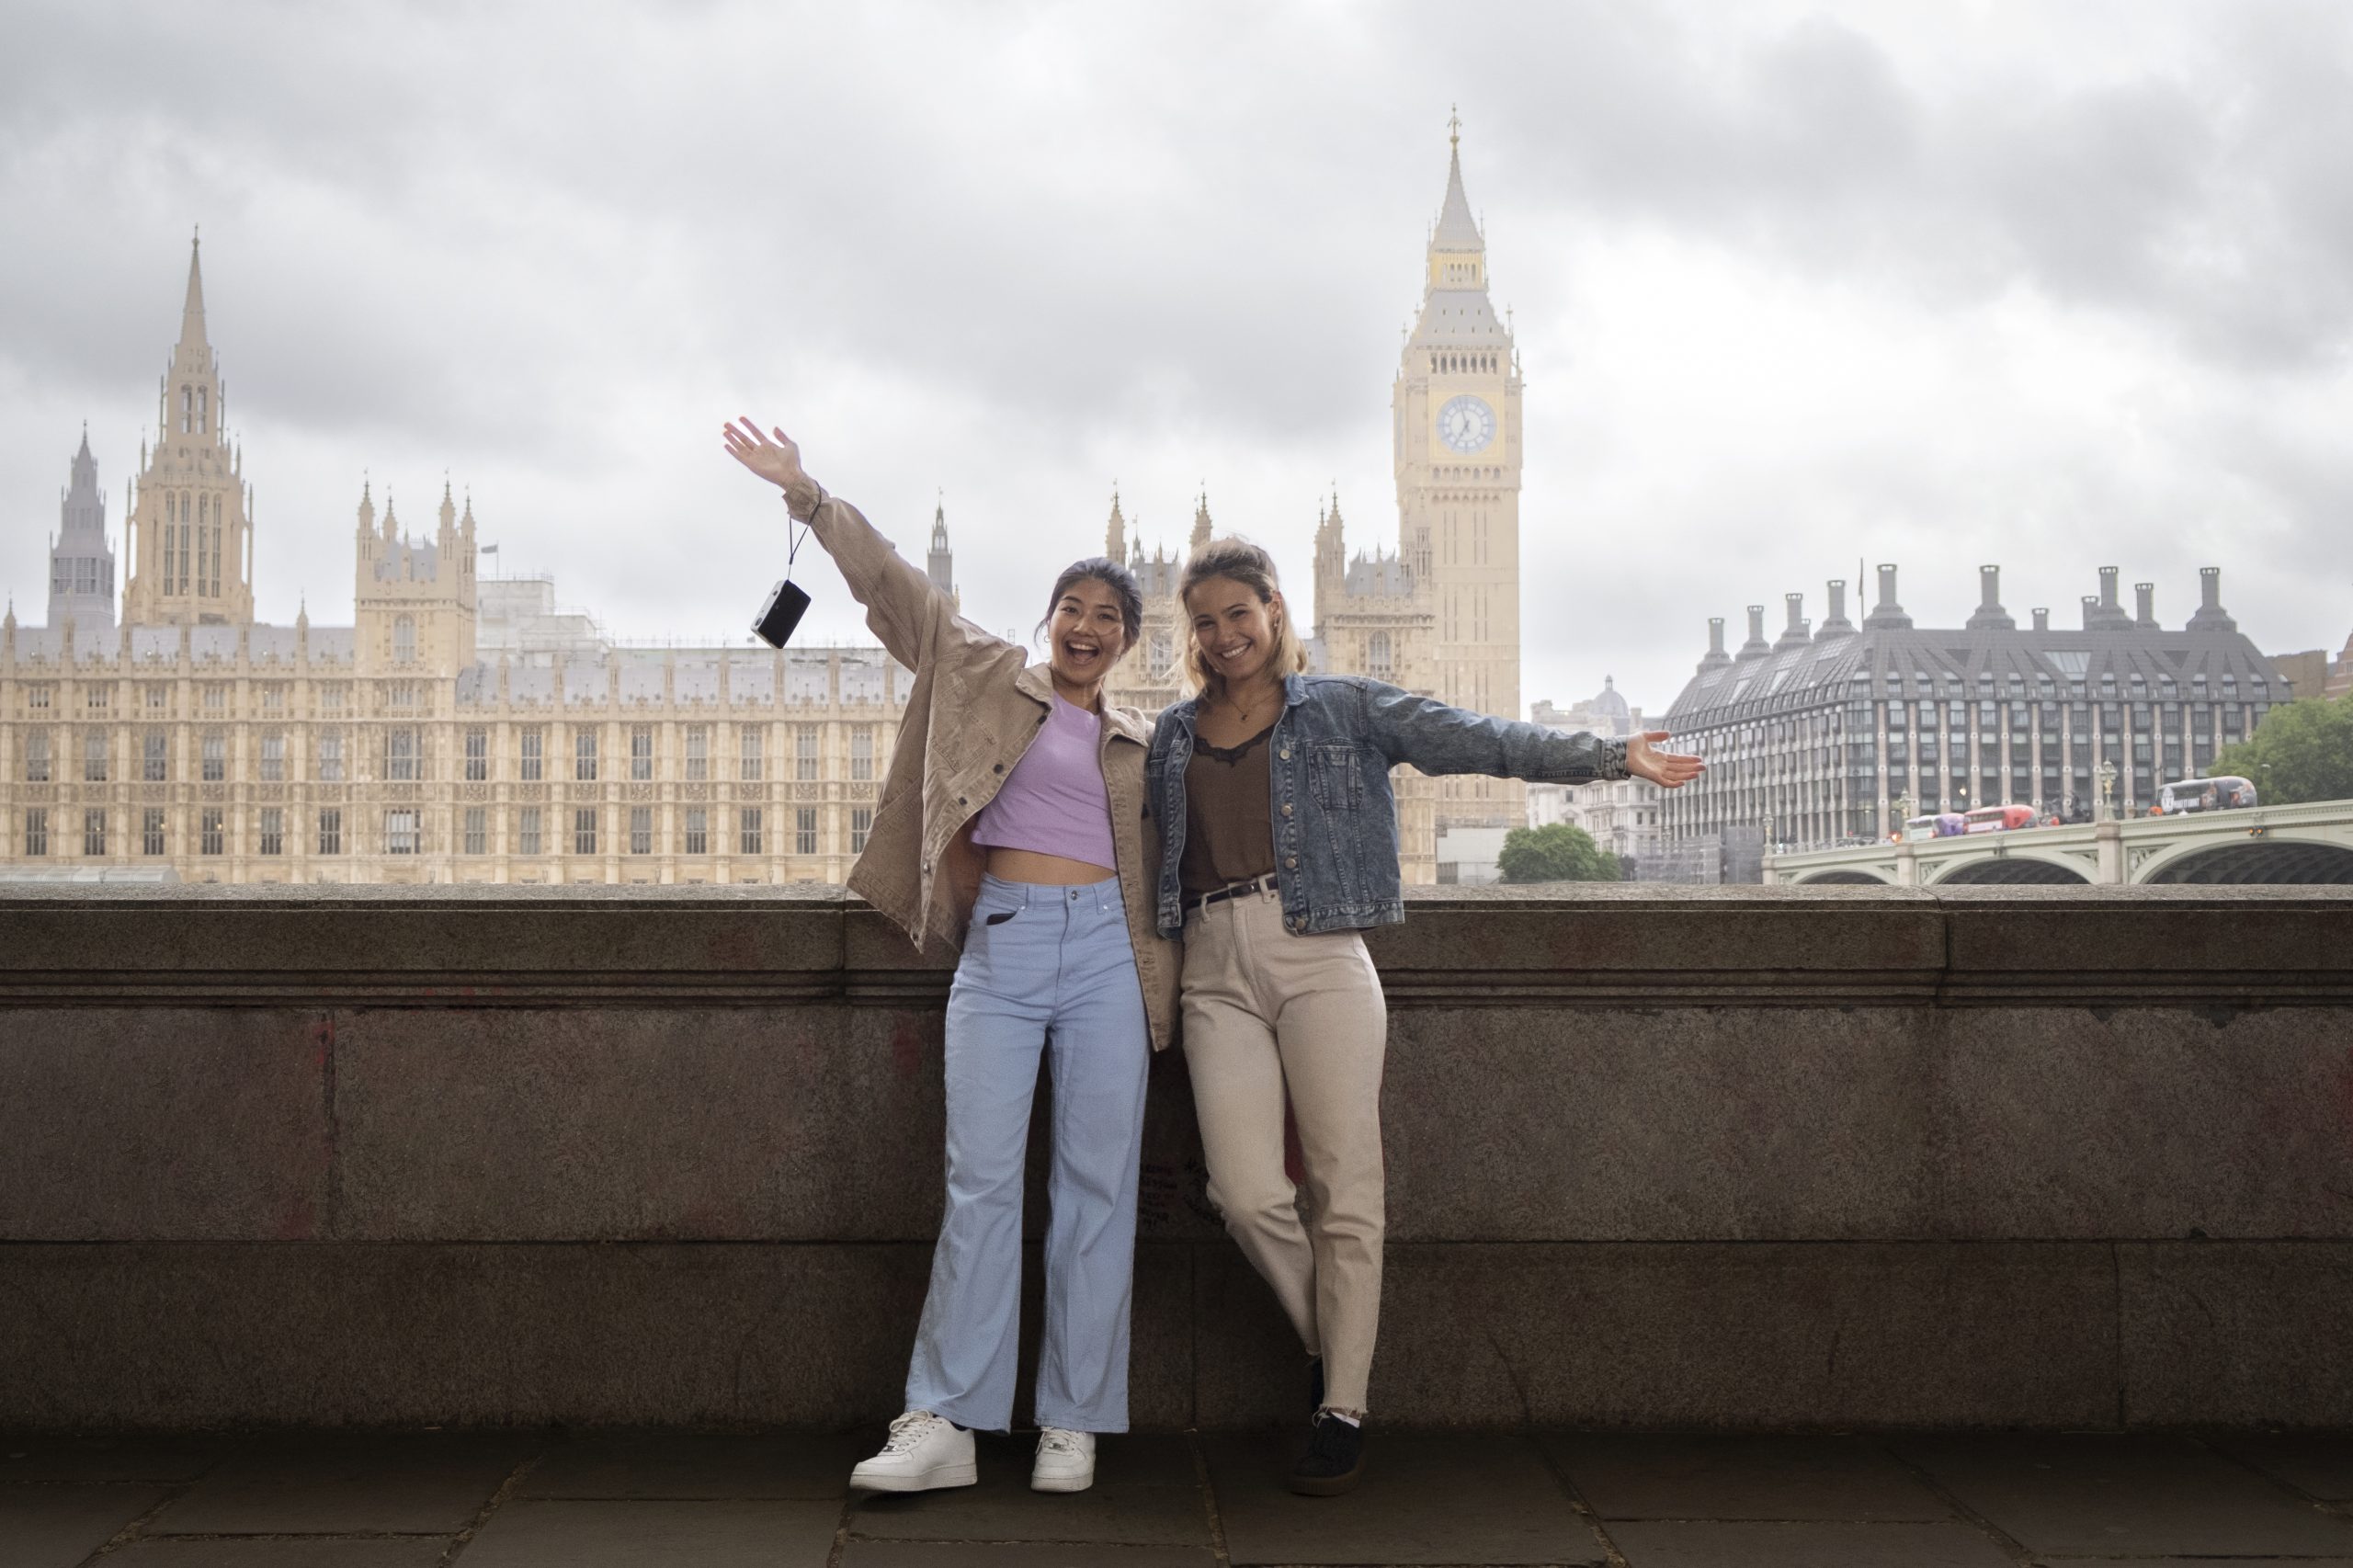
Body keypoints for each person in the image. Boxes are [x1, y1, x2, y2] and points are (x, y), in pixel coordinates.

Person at [1147, 539, 1701, 1496]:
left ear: (1277, 609)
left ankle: (1342, 1402)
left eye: (1241, 612)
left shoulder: (1347, 705)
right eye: (1206, 620)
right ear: (1187, 631)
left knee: (1343, 1181)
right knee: (1243, 1191)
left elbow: (1476, 737)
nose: (1225, 633)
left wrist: (1609, 755)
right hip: (1210, 960)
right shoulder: (1168, 732)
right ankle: (1337, 1337)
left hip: (1319, 948)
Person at [722, 419, 1178, 1496]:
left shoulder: (1144, 743)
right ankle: (947, 1418)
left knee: (1095, 1191)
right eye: (1072, 606)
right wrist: (806, 493)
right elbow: (886, 584)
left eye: (1108, 617)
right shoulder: (978, 667)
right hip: (1007, 943)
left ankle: (1072, 1420)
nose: (1085, 625)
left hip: (1110, 957)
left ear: (1127, 643)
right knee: (979, 1185)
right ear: (1047, 618)